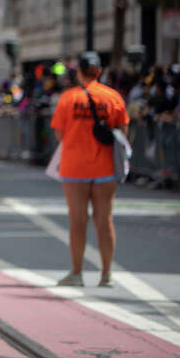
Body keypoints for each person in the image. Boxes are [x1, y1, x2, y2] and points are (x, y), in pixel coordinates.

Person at [50, 51, 128, 288]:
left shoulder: (68, 98)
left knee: (78, 220)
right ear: (99, 71)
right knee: (105, 220)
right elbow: (123, 131)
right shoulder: (113, 97)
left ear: (79, 72)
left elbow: (59, 133)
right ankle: (106, 275)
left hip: (75, 168)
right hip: (105, 167)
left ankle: (76, 274)